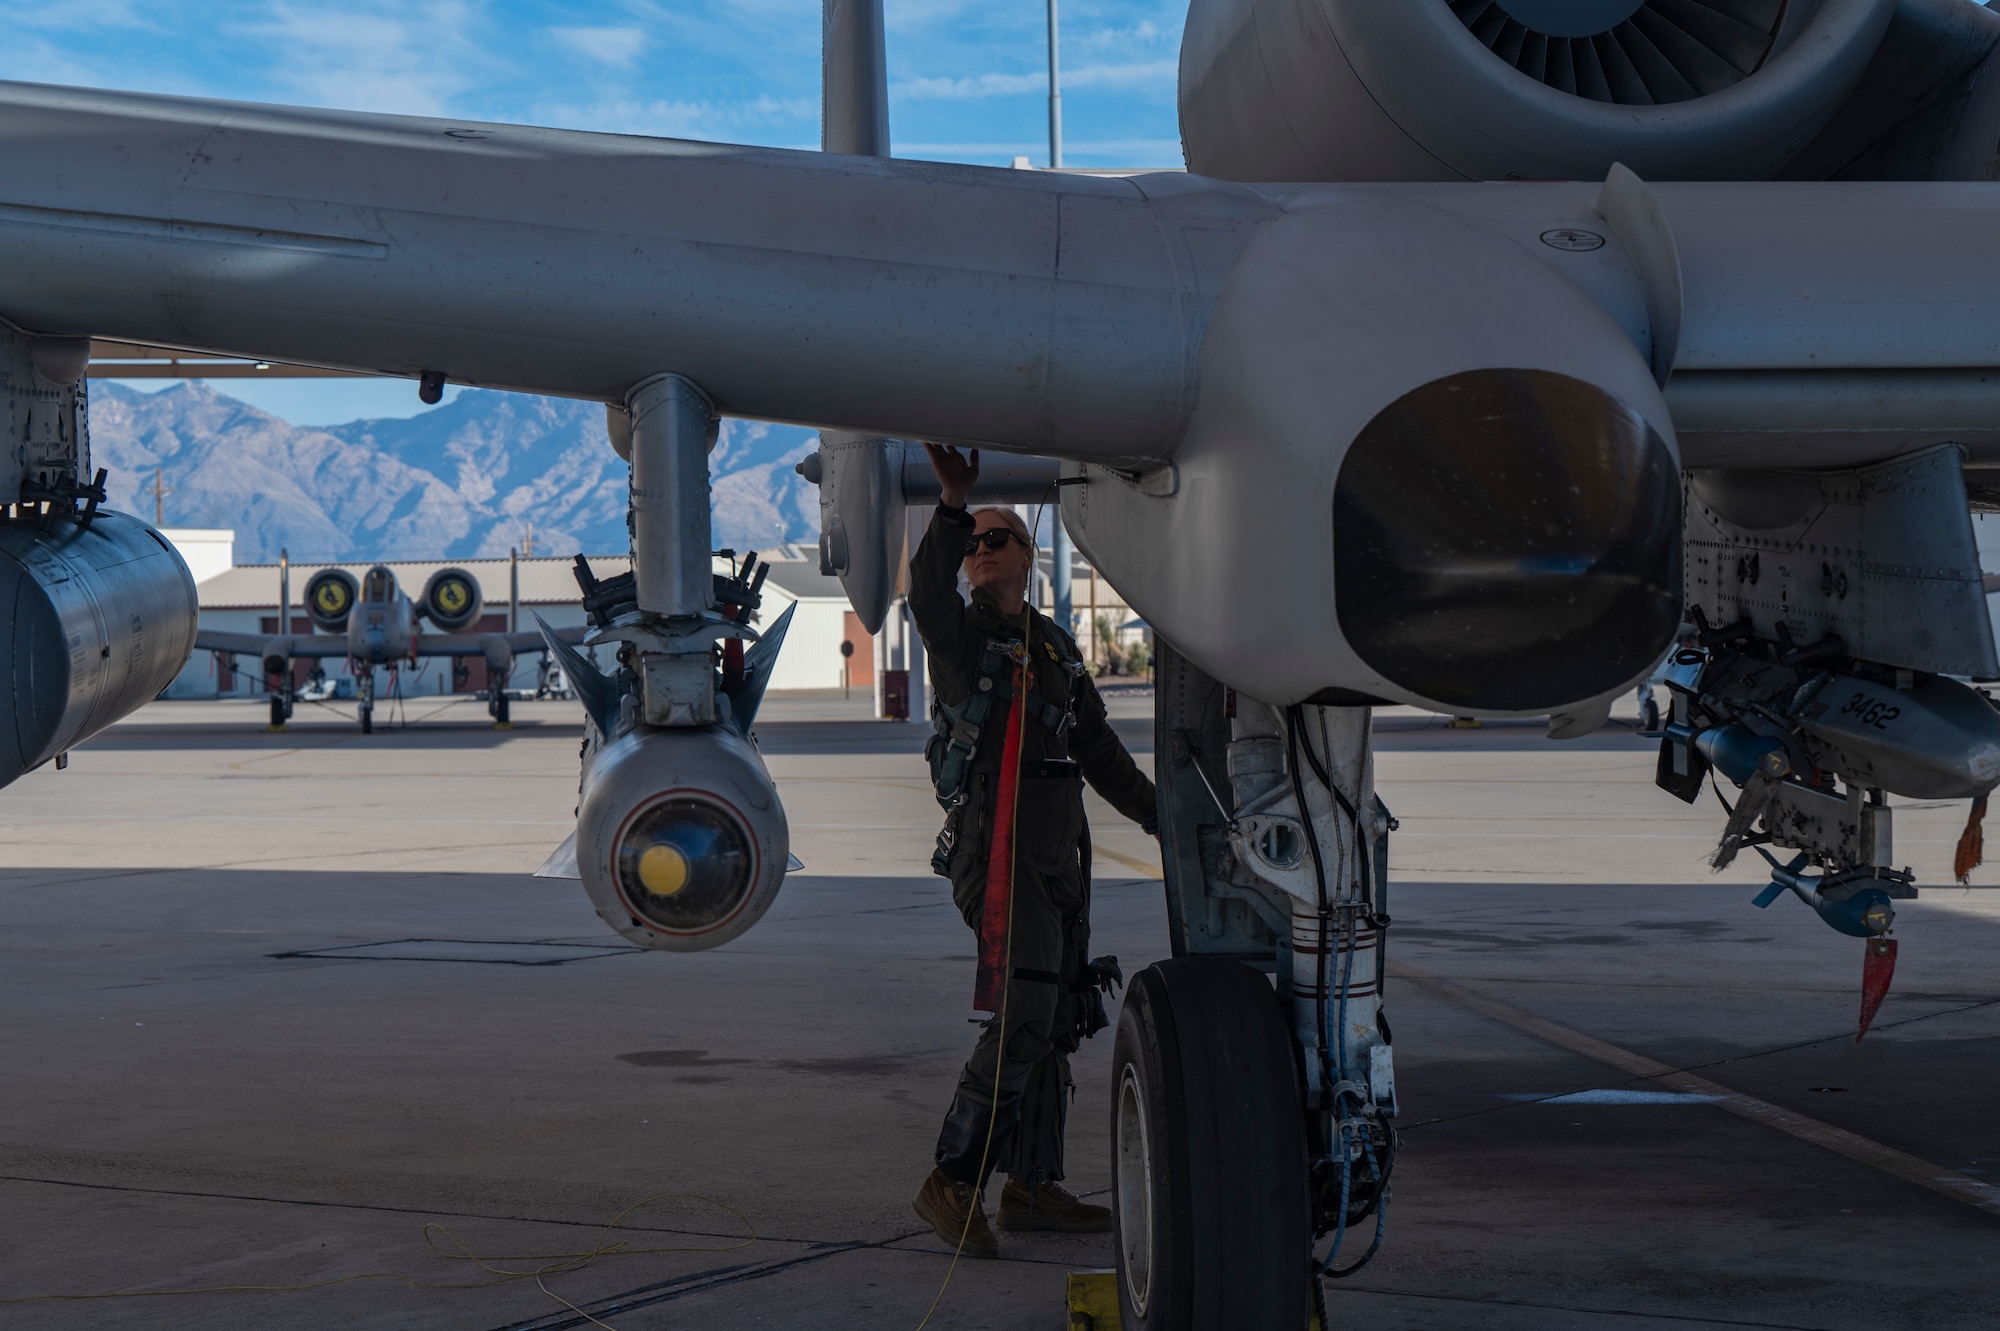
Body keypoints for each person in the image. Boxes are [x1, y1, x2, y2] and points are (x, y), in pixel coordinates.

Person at [908, 443, 1158, 1259]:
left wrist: (1161, 814)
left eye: (995, 538)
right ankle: (953, 1177)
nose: (980, 550)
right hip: (1000, 852)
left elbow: (1099, 749)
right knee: (1021, 1017)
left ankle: (1031, 1183)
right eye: (972, 542)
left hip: (1059, 856)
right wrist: (953, 504)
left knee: (1057, 1019)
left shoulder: (1051, 649)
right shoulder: (962, 642)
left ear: (1027, 553)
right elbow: (923, 595)